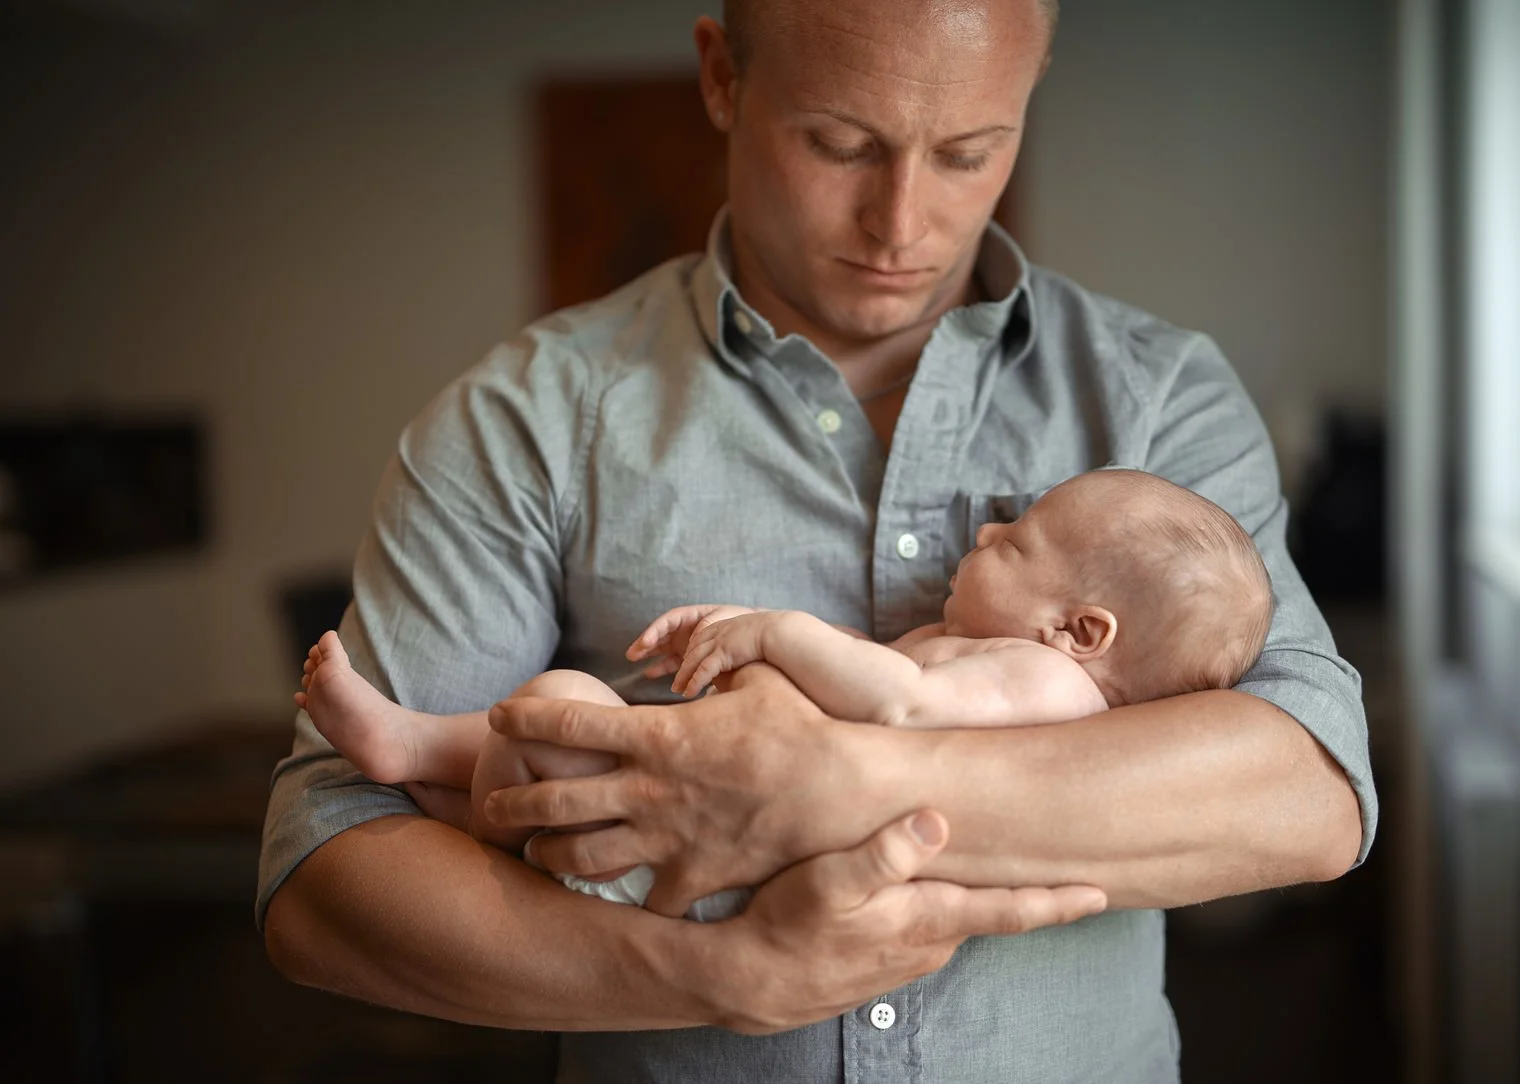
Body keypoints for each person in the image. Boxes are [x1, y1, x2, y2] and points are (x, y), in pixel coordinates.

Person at [260, 0, 1376, 1078]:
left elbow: (1308, 795)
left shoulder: (1159, 397)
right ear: (720, 78)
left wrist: (833, 786)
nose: (902, 221)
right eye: (841, 143)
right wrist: (712, 975)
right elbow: (322, 891)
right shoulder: (527, 421)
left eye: (968, 150)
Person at [293, 468, 1275, 922]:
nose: (983, 538)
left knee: (565, 701)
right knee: (568, 721)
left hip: (719, 867)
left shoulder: (1051, 683)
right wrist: (752, 630)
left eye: (1014, 544)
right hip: (708, 826)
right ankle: (426, 762)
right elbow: (878, 677)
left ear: (1081, 629)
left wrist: (776, 633)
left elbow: (900, 708)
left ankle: (424, 758)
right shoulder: (992, 658)